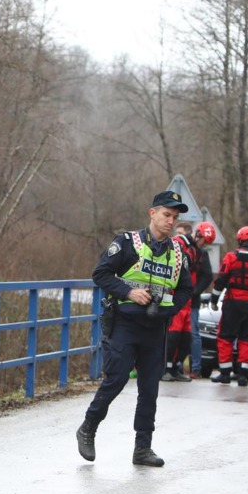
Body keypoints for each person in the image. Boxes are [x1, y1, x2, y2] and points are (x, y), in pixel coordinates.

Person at [76, 189, 194, 467]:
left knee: (150, 389)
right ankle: (88, 426)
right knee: (116, 380)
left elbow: (187, 288)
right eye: (166, 215)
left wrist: (170, 308)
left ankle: (143, 448)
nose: (170, 221)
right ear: (152, 213)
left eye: (174, 217)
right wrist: (129, 292)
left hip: (155, 328)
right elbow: (100, 274)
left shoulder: (178, 252)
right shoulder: (128, 243)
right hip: (125, 324)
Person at [209, 226, 248, 385]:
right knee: (246, 338)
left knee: (225, 337)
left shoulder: (231, 257)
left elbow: (220, 280)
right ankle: (243, 375)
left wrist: (213, 301)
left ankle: (225, 373)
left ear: (240, 240)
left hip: (233, 302)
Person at [162, 221, 199, 382]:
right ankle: (165, 368)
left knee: (185, 337)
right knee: (173, 335)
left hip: (186, 298)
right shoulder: (178, 244)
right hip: (175, 296)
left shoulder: (194, 250)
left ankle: (175, 367)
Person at [188, 221, 216, 376]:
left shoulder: (202, 254)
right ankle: (173, 365)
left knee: (193, 333)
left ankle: (196, 367)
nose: (203, 244)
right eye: (203, 241)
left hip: (192, 301)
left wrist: (195, 291)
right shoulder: (184, 247)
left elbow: (207, 277)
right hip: (178, 299)